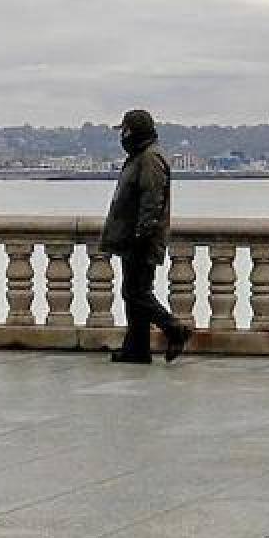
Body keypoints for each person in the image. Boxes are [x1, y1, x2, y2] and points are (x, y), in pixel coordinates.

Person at [100, 109, 193, 364]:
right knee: (133, 292)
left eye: (125, 130)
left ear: (134, 131)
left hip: (141, 238)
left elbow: (152, 201)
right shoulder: (139, 155)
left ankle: (175, 330)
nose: (122, 136)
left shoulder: (150, 158)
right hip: (132, 237)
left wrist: (142, 235)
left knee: (137, 293)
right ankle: (137, 349)